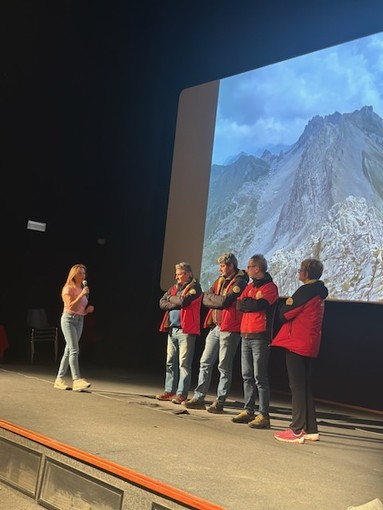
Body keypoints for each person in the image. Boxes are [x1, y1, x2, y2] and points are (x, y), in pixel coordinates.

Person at [183, 252, 248, 413]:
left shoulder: (241, 281)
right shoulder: (219, 280)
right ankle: (199, 397)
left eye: (223, 266)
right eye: (219, 266)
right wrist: (218, 302)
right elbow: (205, 298)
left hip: (230, 328)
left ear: (231, 265)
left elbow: (227, 301)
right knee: (205, 362)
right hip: (215, 327)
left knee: (223, 367)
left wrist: (217, 301)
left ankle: (220, 401)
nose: (220, 269)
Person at [272, 258, 328, 443]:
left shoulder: (306, 290)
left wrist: (283, 307)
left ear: (305, 273)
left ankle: (296, 430)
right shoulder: (319, 291)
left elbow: (285, 313)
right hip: (309, 343)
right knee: (304, 387)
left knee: (296, 387)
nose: (298, 273)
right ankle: (311, 429)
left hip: (297, 342)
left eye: (300, 270)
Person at [232, 254, 279, 429]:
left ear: (257, 268)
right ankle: (248, 410)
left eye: (250, 267)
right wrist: (249, 301)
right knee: (247, 375)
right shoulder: (250, 286)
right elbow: (239, 305)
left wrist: (249, 302)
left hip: (260, 336)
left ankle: (264, 415)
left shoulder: (270, 288)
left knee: (260, 377)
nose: (247, 270)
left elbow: (257, 306)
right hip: (245, 334)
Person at [156, 262, 203, 404]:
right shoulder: (174, 288)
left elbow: (184, 301)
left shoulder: (195, 287)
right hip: (172, 329)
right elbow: (162, 302)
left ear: (188, 274)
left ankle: (182, 393)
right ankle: (169, 390)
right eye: (176, 274)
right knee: (170, 362)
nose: (176, 277)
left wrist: (173, 299)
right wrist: (174, 300)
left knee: (184, 364)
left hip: (186, 331)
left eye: (179, 274)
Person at [54, 264, 95, 391]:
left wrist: (88, 310)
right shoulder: (68, 288)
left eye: (84, 273)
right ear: (74, 275)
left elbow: (81, 307)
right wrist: (82, 294)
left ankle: (59, 379)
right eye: (80, 273)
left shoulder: (82, 288)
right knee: (74, 349)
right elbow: (70, 306)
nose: (83, 275)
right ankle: (76, 379)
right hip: (69, 320)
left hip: (80, 319)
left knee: (69, 350)